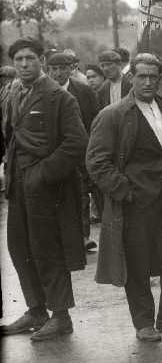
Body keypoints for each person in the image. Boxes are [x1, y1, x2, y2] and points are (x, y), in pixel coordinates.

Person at [87, 53, 162, 342]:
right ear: (131, 78)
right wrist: (124, 190)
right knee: (137, 262)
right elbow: (97, 161)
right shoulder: (114, 114)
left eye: (154, 77)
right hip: (136, 201)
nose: (148, 82)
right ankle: (143, 324)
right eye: (142, 76)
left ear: (160, 79)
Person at [1, 37, 88, 340]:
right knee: (20, 247)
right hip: (17, 182)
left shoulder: (58, 97)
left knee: (47, 248)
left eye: (30, 58)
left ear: (41, 61)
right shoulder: (13, 92)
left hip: (45, 185)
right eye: (18, 60)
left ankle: (61, 316)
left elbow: (77, 142)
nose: (23, 65)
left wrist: (43, 174)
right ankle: (36, 310)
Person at [48, 52, 100, 252]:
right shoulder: (44, 90)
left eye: (63, 68)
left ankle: (84, 236)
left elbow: (95, 120)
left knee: (81, 193)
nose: (59, 73)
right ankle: (58, 238)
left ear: (71, 69)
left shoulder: (84, 92)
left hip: (80, 151)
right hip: (53, 153)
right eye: (54, 69)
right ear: (48, 69)